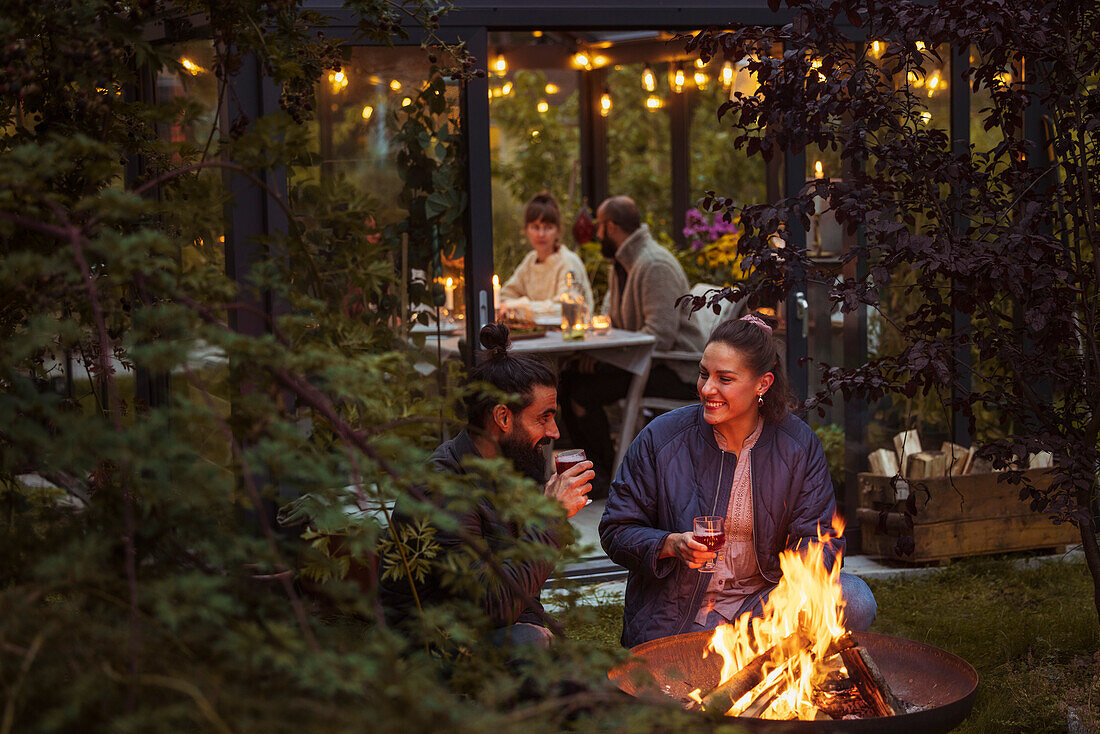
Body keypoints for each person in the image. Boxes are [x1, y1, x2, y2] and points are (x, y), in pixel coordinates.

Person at [598, 313, 877, 648]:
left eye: (724, 379)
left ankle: (769, 657)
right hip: (681, 615)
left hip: (763, 609)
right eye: (704, 374)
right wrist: (670, 544)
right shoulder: (661, 439)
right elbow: (616, 529)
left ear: (763, 383)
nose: (707, 389)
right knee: (689, 687)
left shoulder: (797, 445)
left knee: (855, 599)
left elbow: (822, 538)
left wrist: (801, 574)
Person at [380, 324, 594, 649]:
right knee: (529, 643)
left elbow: (518, 585)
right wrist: (550, 519)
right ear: (503, 417)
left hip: (479, 628)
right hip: (428, 645)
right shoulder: (445, 489)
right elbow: (491, 606)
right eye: (544, 417)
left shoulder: (507, 468)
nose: (553, 432)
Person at [558, 195, 706, 494]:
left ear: (610, 227)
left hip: (677, 370)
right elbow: (612, 321)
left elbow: (659, 336)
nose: (596, 234)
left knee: (583, 391)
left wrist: (606, 360)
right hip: (643, 363)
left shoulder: (654, 265)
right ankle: (592, 470)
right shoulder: (622, 264)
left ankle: (602, 472)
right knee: (569, 377)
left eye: (598, 227)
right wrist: (594, 353)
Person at [499, 191, 594, 319]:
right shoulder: (531, 260)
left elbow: (565, 308)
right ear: (526, 230)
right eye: (535, 227)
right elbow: (506, 295)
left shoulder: (568, 261)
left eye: (548, 227)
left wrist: (523, 307)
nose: (541, 234)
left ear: (558, 230)